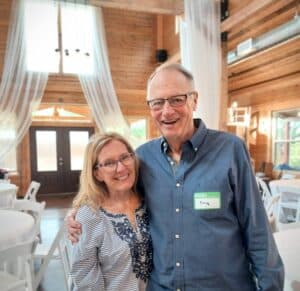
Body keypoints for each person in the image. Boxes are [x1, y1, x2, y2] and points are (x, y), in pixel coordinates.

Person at [67, 64, 284, 290]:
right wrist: (77, 214)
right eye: (157, 103)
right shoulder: (142, 158)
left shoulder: (231, 150)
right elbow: (112, 195)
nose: (167, 111)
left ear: (194, 100)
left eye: (177, 100)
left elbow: (257, 230)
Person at [69, 132, 152, 291]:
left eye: (124, 158)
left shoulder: (149, 200)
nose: (121, 168)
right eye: (109, 163)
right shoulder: (89, 216)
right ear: (97, 173)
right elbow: (85, 279)